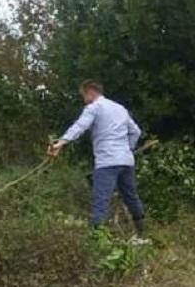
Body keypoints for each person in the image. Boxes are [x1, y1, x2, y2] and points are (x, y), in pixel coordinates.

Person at [48, 80, 146, 234]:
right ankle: (142, 233)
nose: (84, 99)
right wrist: (129, 148)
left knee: (100, 200)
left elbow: (80, 126)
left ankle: (97, 238)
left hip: (107, 162)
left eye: (84, 95)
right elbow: (136, 132)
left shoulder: (94, 108)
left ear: (90, 92)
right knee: (131, 197)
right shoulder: (120, 108)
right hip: (126, 161)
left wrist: (61, 142)